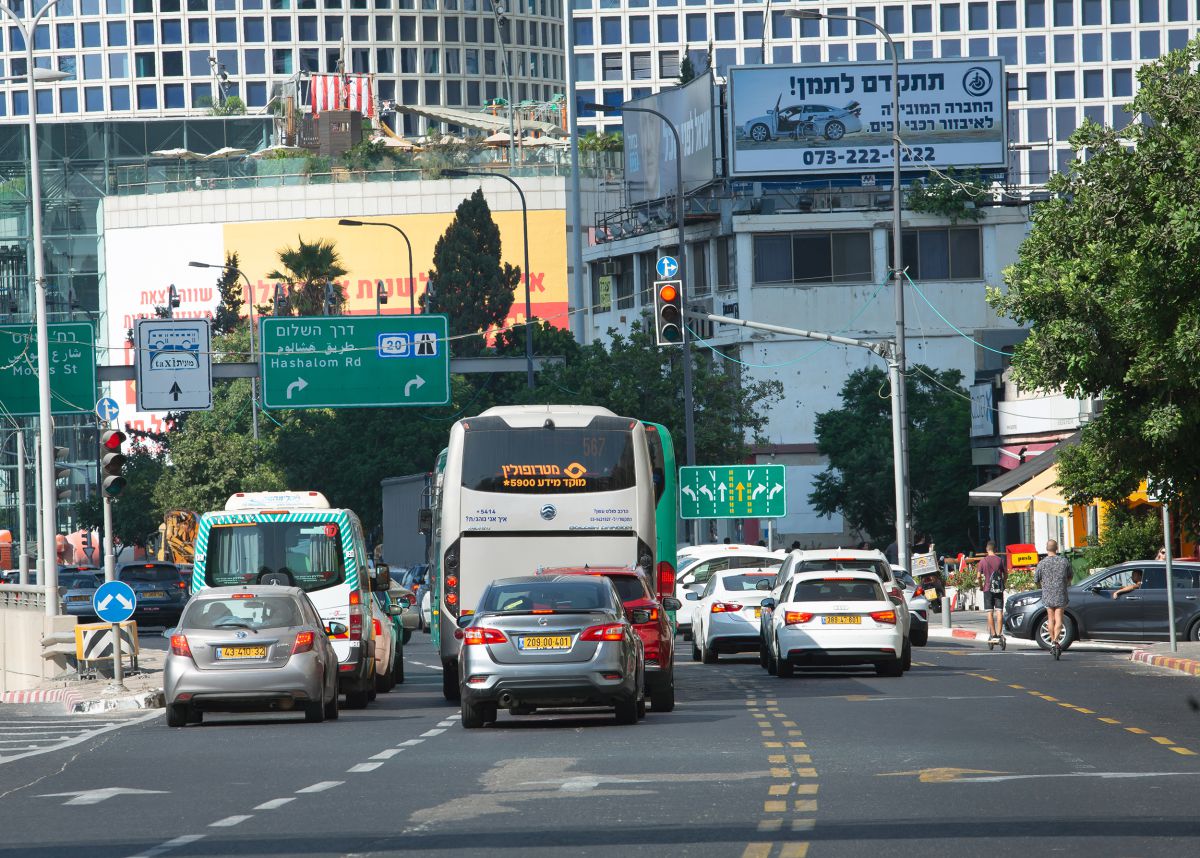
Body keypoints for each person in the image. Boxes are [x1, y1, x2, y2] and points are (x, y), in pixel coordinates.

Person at [1034, 539, 1073, 659]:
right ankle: (1056, 641)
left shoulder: (1042, 563)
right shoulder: (1064, 561)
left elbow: (1036, 580)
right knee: (1059, 618)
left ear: (1047, 549)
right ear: (1056, 548)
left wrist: (1042, 586)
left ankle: (1052, 643)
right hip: (1060, 593)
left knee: (1050, 619)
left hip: (1047, 594)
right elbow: (1070, 577)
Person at [977, 541, 1006, 639]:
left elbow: (979, 577)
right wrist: (1003, 584)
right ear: (996, 549)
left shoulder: (983, 561)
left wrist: (981, 586)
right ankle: (999, 633)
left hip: (987, 589)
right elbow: (1005, 574)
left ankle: (993, 634)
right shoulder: (1000, 560)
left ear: (987, 549)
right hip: (998, 589)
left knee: (989, 612)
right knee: (999, 611)